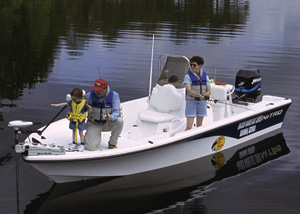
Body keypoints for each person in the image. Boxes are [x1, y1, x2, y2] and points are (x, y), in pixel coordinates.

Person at [84, 79, 124, 150]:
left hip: (107, 123)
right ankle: (92, 137)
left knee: (120, 121)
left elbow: (117, 111)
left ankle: (112, 143)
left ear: (105, 89)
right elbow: (79, 106)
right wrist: (71, 113)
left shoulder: (114, 95)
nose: (96, 92)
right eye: (95, 89)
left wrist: (112, 117)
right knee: (91, 147)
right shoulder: (88, 96)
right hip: (94, 123)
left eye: (99, 90)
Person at [184, 56, 211, 130]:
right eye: (191, 65)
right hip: (191, 101)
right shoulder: (187, 76)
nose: (192, 67)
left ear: (200, 65)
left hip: (202, 102)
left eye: (194, 65)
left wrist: (205, 96)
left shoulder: (205, 77)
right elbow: (189, 90)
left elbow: (209, 90)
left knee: (199, 126)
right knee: (189, 127)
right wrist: (199, 95)